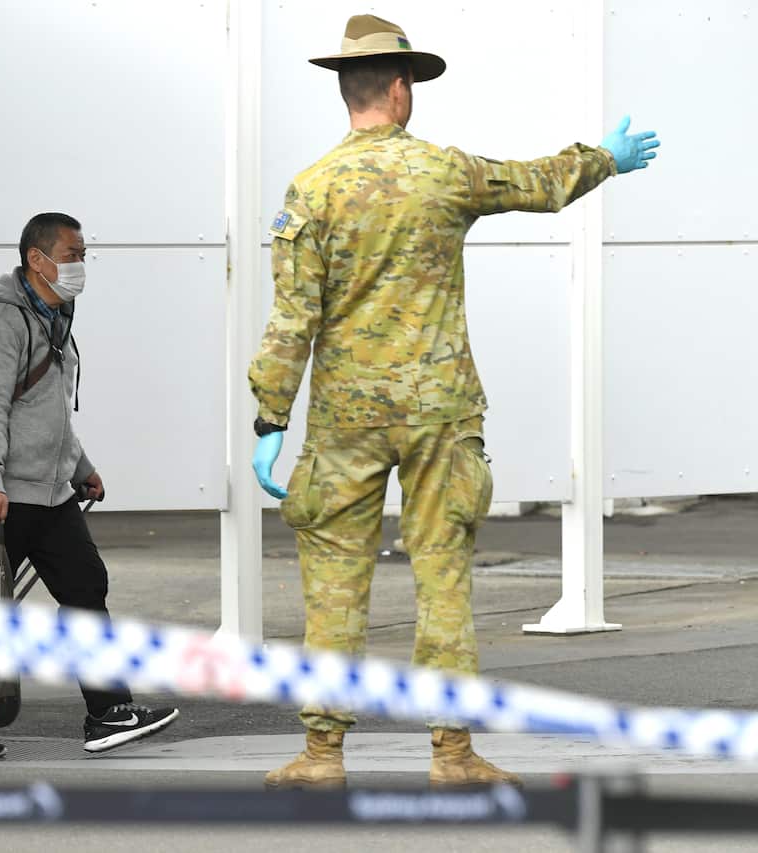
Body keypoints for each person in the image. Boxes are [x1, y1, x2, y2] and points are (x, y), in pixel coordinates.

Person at [249, 15, 658, 788]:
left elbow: (291, 319)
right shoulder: (444, 173)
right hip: (441, 412)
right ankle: (453, 754)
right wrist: (608, 157)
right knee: (443, 575)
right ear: (400, 91)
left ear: (349, 93)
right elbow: (538, 182)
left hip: (346, 418)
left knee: (334, 579)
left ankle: (323, 756)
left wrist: (270, 419)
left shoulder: (310, 190)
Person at [0, 212, 179, 759]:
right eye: (74, 254)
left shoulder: (54, 313)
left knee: (84, 586)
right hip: (0, 494)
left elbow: (49, 410)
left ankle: (108, 712)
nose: (81, 265)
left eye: (82, 255)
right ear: (38, 259)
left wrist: (80, 468)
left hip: (49, 492)